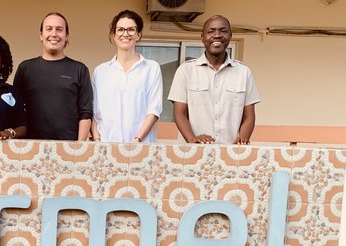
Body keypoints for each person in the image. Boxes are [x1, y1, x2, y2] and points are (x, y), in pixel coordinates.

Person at [168, 15, 260, 145]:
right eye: (211, 31)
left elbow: (249, 116)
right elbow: (179, 113)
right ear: (202, 37)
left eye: (223, 31)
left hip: (230, 152)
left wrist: (243, 139)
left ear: (230, 36)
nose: (217, 35)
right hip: (193, 153)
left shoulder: (243, 72)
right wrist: (192, 139)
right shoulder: (185, 71)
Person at [13, 12, 92, 141]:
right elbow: (15, 110)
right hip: (31, 146)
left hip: (69, 146)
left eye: (59, 29)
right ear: (41, 35)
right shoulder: (25, 68)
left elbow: (86, 113)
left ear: (66, 36)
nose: (54, 34)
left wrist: (79, 147)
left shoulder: (79, 69)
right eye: (49, 29)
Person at [92, 10, 162, 143]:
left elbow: (154, 110)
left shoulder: (152, 68)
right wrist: (97, 141)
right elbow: (93, 112)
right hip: (106, 148)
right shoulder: (100, 72)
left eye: (131, 29)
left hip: (142, 147)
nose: (125, 34)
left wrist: (137, 141)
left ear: (138, 35)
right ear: (114, 35)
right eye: (120, 29)